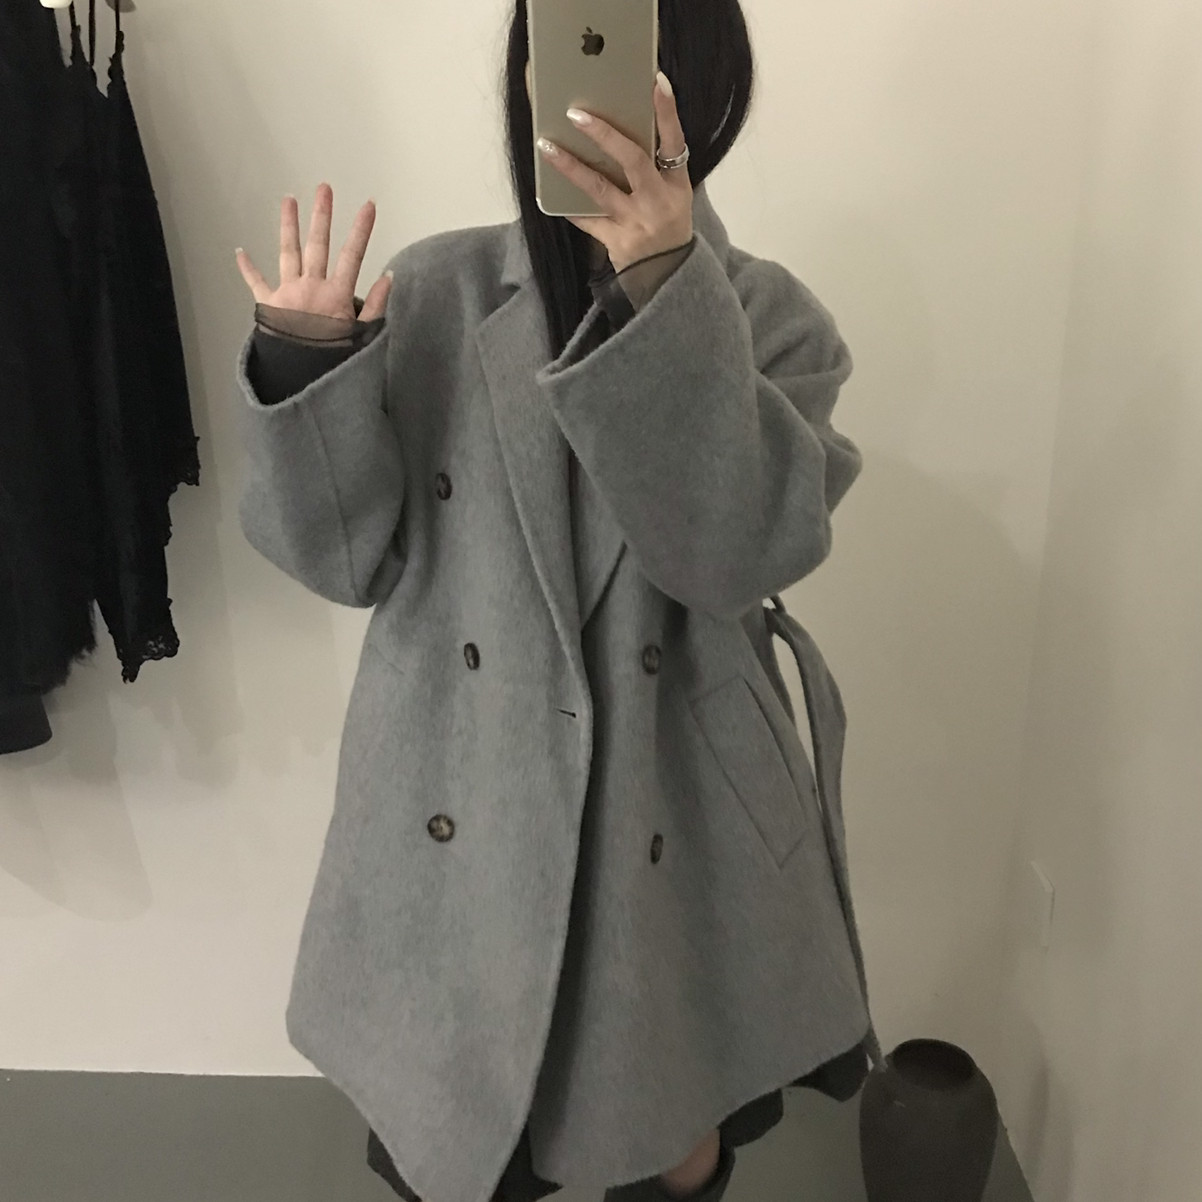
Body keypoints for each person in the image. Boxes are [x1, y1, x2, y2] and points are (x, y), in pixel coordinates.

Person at [232, 4, 878, 1202]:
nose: (594, 99)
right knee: (451, 1123)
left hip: (671, 796)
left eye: (633, 64)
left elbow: (729, 553)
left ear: (702, 98)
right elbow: (341, 560)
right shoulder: (437, 290)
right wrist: (305, 363)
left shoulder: (771, 321)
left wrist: (666, 288)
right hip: (462, 782)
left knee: (666, 1123)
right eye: (564, 53)